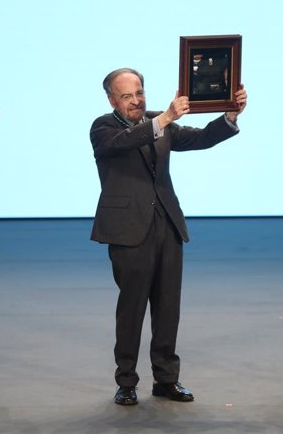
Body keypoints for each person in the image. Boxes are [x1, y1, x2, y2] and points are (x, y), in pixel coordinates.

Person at [90, 68, 247, 405]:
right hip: (129, 229)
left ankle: (165, 379)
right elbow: (125, 142)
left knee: (167, 306)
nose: (136, 101)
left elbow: (201, 137)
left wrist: (229, 116)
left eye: (139, 92)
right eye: (127, 96)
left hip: (167, 224)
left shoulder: (159, 123)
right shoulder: (103, 127)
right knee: (131, 308)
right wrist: (163, 118)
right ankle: (127, 382)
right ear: (112, 100)